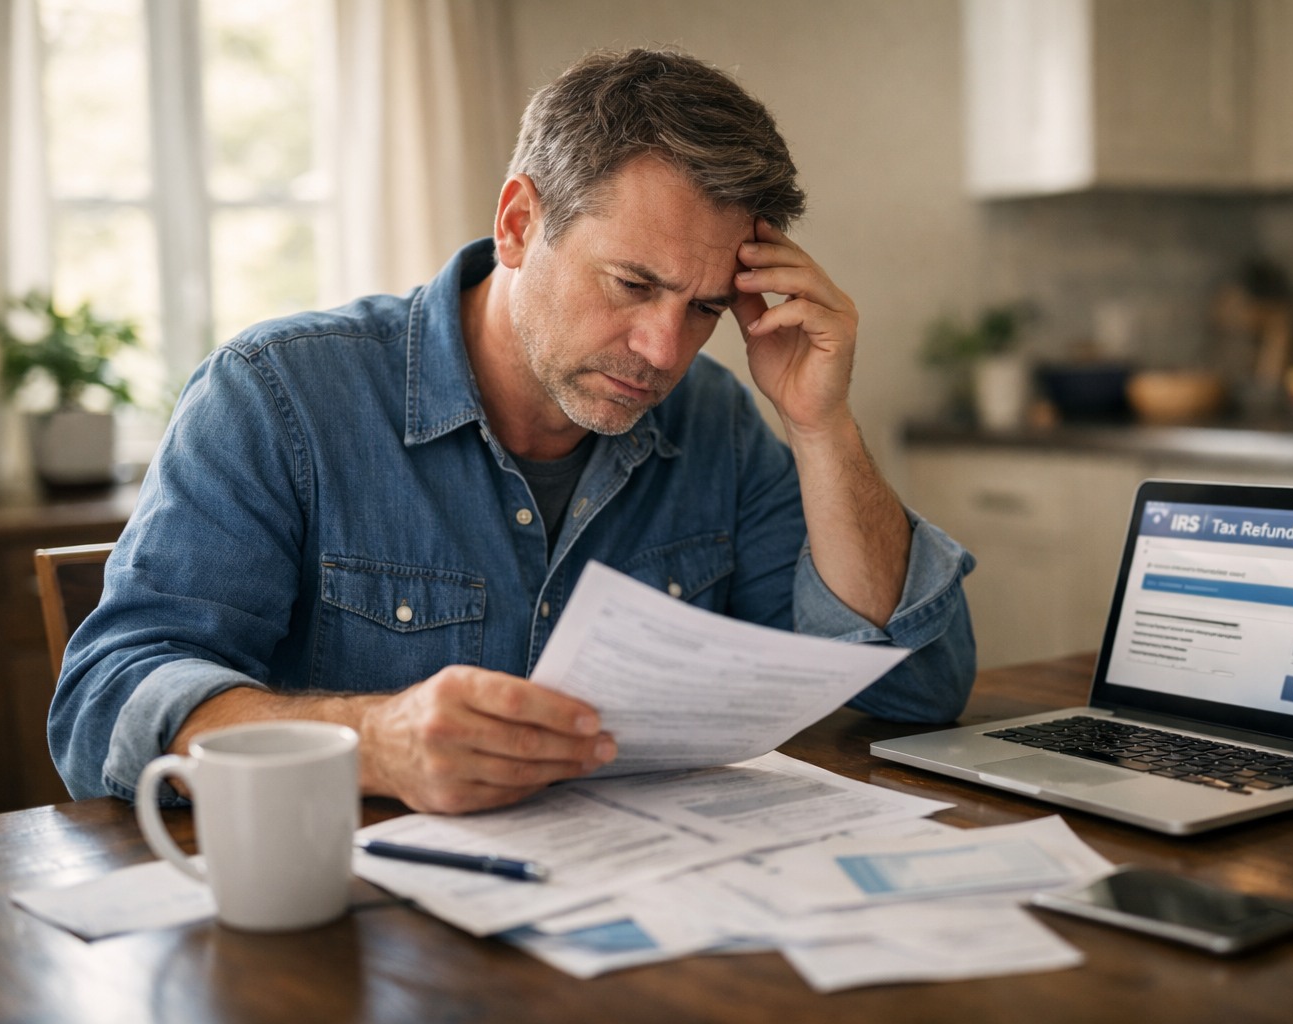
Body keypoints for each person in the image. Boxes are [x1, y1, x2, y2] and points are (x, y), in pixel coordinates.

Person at [49, 48, 977, 815]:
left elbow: (914, 694)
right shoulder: (277, 396)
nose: (662, 350)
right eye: (633, 285)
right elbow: (104, 703)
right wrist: (373, 743)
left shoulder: (720, 427)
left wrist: (822, 426)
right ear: (519, 222)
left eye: (702, 309)